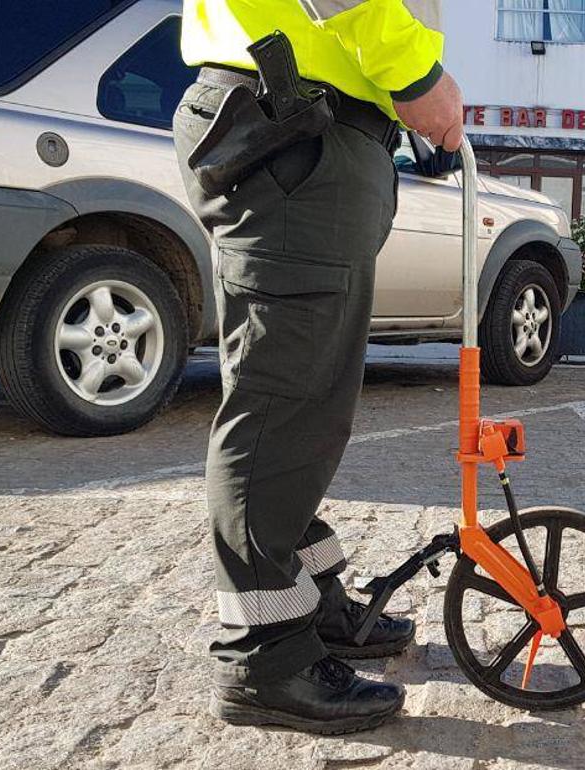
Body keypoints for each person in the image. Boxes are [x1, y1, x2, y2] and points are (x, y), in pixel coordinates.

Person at [172, 0, 464, 736]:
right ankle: (264, 660)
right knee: (281, 402)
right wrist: (413, 69)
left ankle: (305, 607)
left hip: (306, 126)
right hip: (292, 119)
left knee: (307, 406)